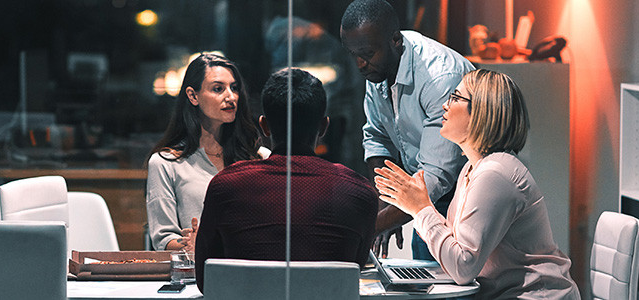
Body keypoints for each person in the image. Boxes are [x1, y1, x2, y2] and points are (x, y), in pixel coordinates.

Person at [375, 69, 579, 299]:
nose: (445, 105)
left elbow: (463, 267)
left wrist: (420, 208)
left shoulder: (495, 173)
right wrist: (417, 204)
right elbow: (458, 249)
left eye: (455, 97)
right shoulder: (472, 169)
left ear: (482, 110)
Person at [193, 68, 379, 291]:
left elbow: (206, 281)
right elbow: (351, 276)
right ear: (323, 127)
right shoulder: (359, 193)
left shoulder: (226, 186)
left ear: (264, 126)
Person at [339, 0, 475, 260]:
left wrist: (372, 226)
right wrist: (385, 205)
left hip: (464, 197)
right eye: (353, 54)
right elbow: (377, 139)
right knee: (423, 282)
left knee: (455, 287)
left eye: (366, 54)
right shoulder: (379, 66)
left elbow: (437, 176)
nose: (359, 64)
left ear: (395, 40)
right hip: (423, 194)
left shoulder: (439, 78)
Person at [146, 52, 268, 251]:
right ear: (193, 96)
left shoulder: (261, 157)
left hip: (252, 270)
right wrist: (189, 244)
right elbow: (163, 241)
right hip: (197, 274)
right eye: (218, 89)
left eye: (234, 88)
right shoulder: (165, 163)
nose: (231, 97)